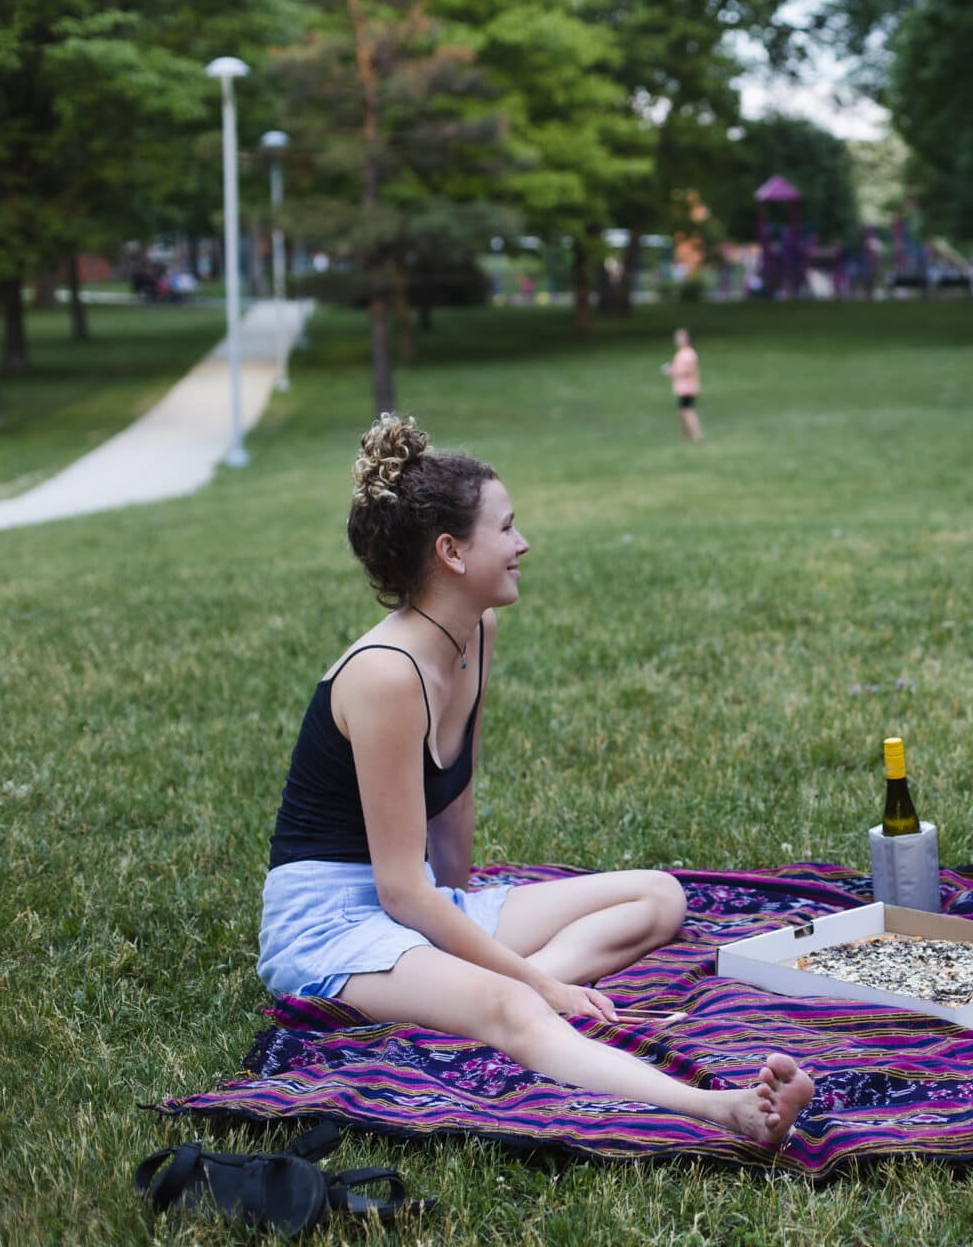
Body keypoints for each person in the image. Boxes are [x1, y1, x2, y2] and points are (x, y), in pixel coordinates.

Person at [256, 414, 811, 1144]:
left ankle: (501, 999)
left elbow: (451, 805)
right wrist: (536, 984)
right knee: (516, 1006)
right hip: (330, 926)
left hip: (414, 900)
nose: (523, 545)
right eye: (507, 528)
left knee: (657, 896)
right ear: (451, 551)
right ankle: (729, 1112)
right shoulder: (385, 675)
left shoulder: (474, 632)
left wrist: (470, 918)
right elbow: (400, 890)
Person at [661, 328, 705, 444]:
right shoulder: (683, 353)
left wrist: (670, 371)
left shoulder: (687, 354)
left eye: (680, 337)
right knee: (682, 413)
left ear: (687, 339)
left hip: (687, 388)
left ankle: (697, 435)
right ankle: (685, 437)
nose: (676, 339)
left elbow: (686, 371)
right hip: (683, 388)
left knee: (688, 412)